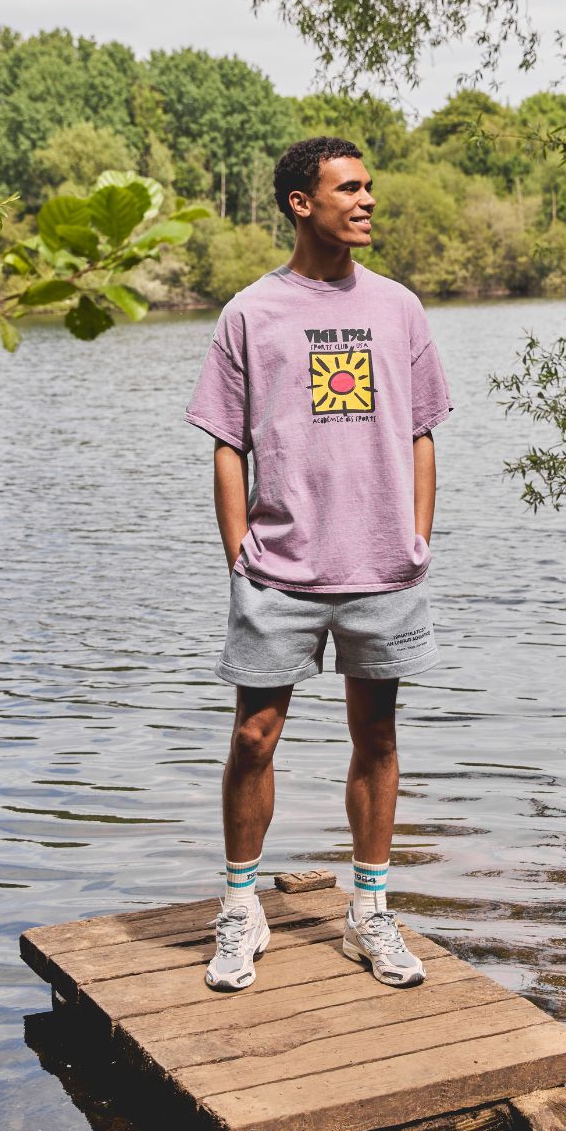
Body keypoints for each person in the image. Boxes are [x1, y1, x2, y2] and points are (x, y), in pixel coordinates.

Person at [184, 136, 453, 992]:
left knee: (378, 735)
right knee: (253, 736)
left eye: (369, 186)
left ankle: (369, 913)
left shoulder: (398, 307)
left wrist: (416, 537)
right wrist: (238, 554)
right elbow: (226, 444)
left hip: (383, 568)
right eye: (349, 188)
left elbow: (422, 434)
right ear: (302, 203)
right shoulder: (249, 313)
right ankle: (241, 908)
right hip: (279, 569)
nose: (367, 200)